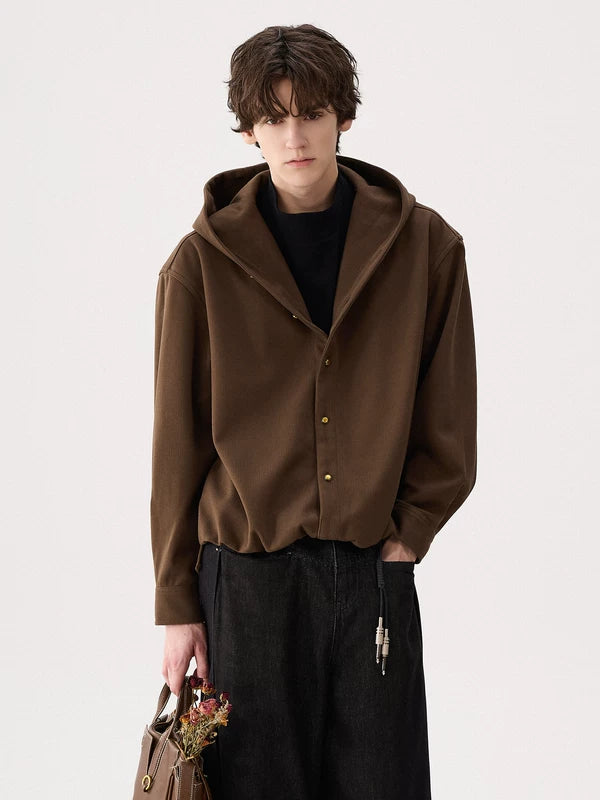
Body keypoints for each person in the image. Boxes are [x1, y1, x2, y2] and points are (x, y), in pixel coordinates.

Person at [150, 23, 477, 800]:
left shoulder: (427, 249)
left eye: (312, 113)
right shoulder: (198, 267)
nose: (293, 137)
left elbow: (449, 418)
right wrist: (176, 605)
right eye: (273, 117)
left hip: (373, 579)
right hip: (246, 587)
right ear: (248, 129)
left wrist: (407, 538)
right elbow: (176, 446)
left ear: (344, 117)